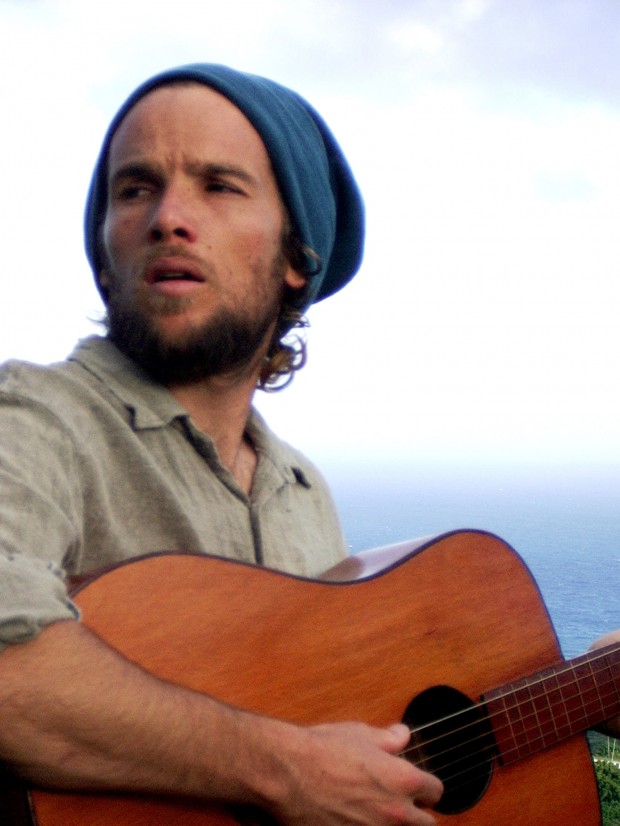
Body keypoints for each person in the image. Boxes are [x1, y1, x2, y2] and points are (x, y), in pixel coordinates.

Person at [0, 64, 444, 825]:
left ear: (298, 257)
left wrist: (584, 687)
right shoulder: (35, 418)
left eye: (219, 186)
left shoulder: (303, 491)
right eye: (135, 189)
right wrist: (285, 771)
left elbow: (348, 747)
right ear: (104, 255)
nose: (168, 217)